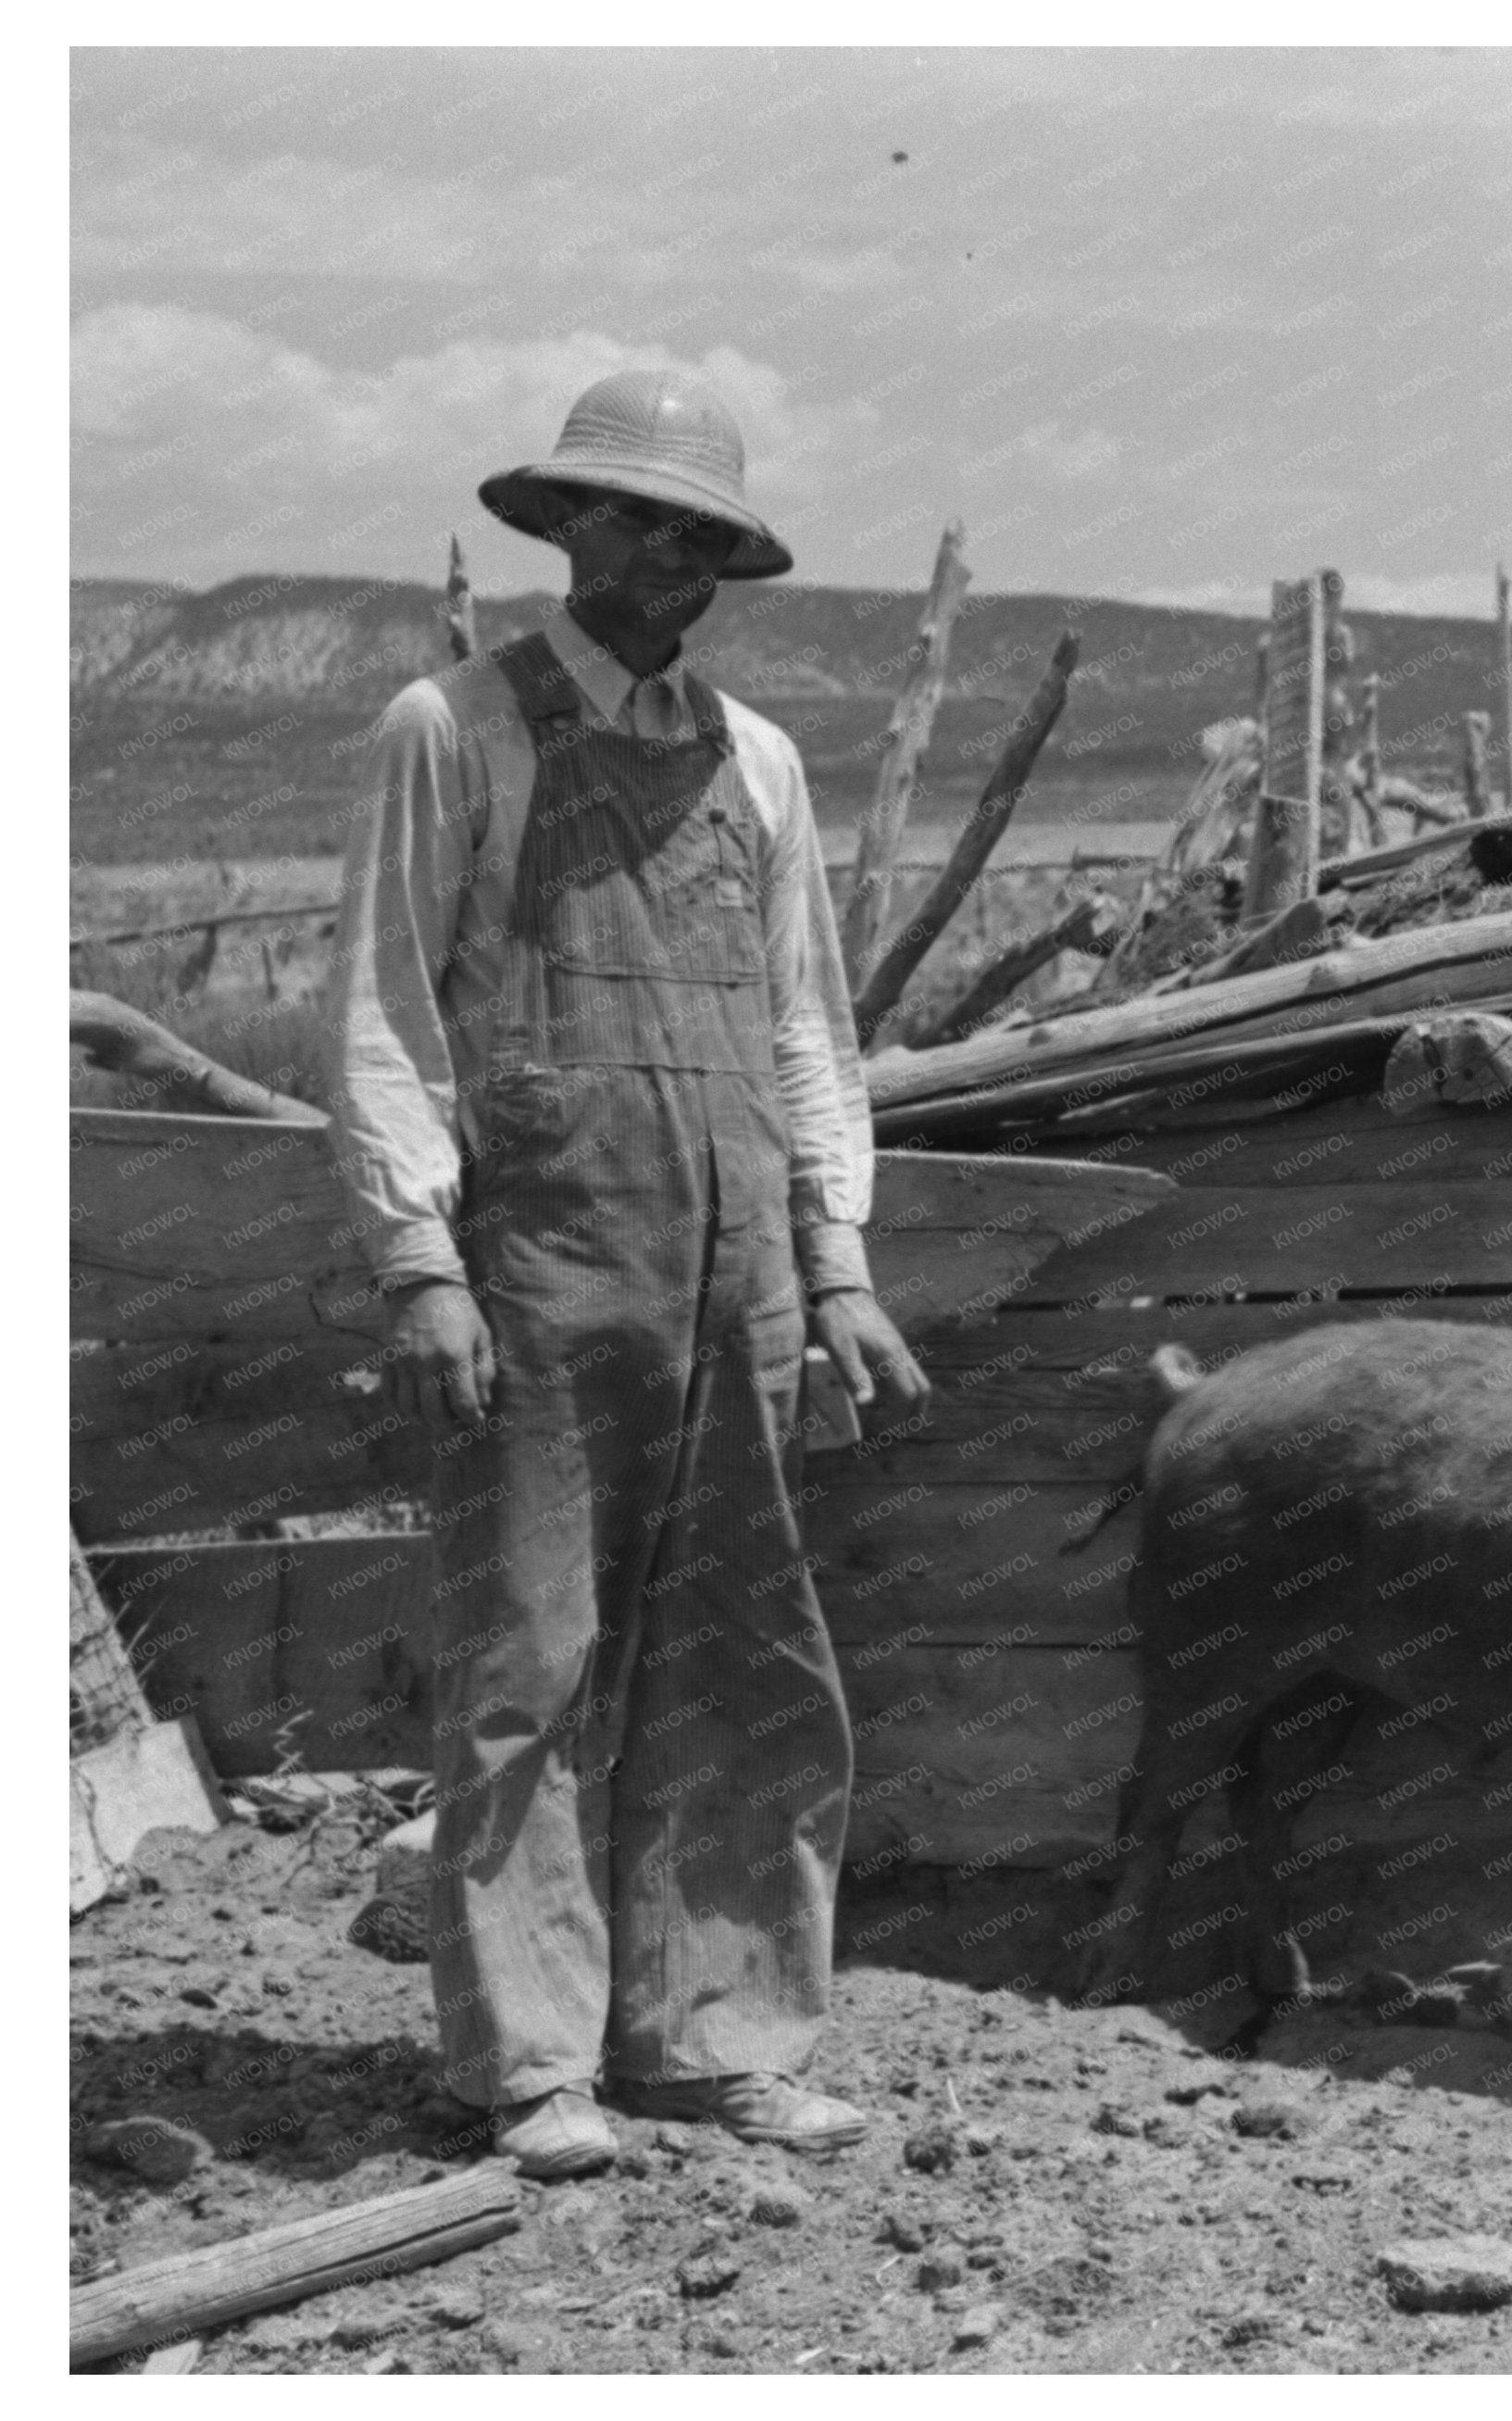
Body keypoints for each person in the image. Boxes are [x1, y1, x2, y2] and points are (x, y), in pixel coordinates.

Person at [330, 370, 932, 2180]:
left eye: (696, 532)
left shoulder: (760, 759)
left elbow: (811, 1023)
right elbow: (382, 1005)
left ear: (726, 560)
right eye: (630, 517)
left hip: (737, 1265)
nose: (661, 557)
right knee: (532, 1656)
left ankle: (718, 2035)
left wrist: (838, 1262)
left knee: (742, 1652)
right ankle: (529, 2064)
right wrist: (418, 1251)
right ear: (564, 525)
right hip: (537, 1255)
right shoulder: (452, 726)